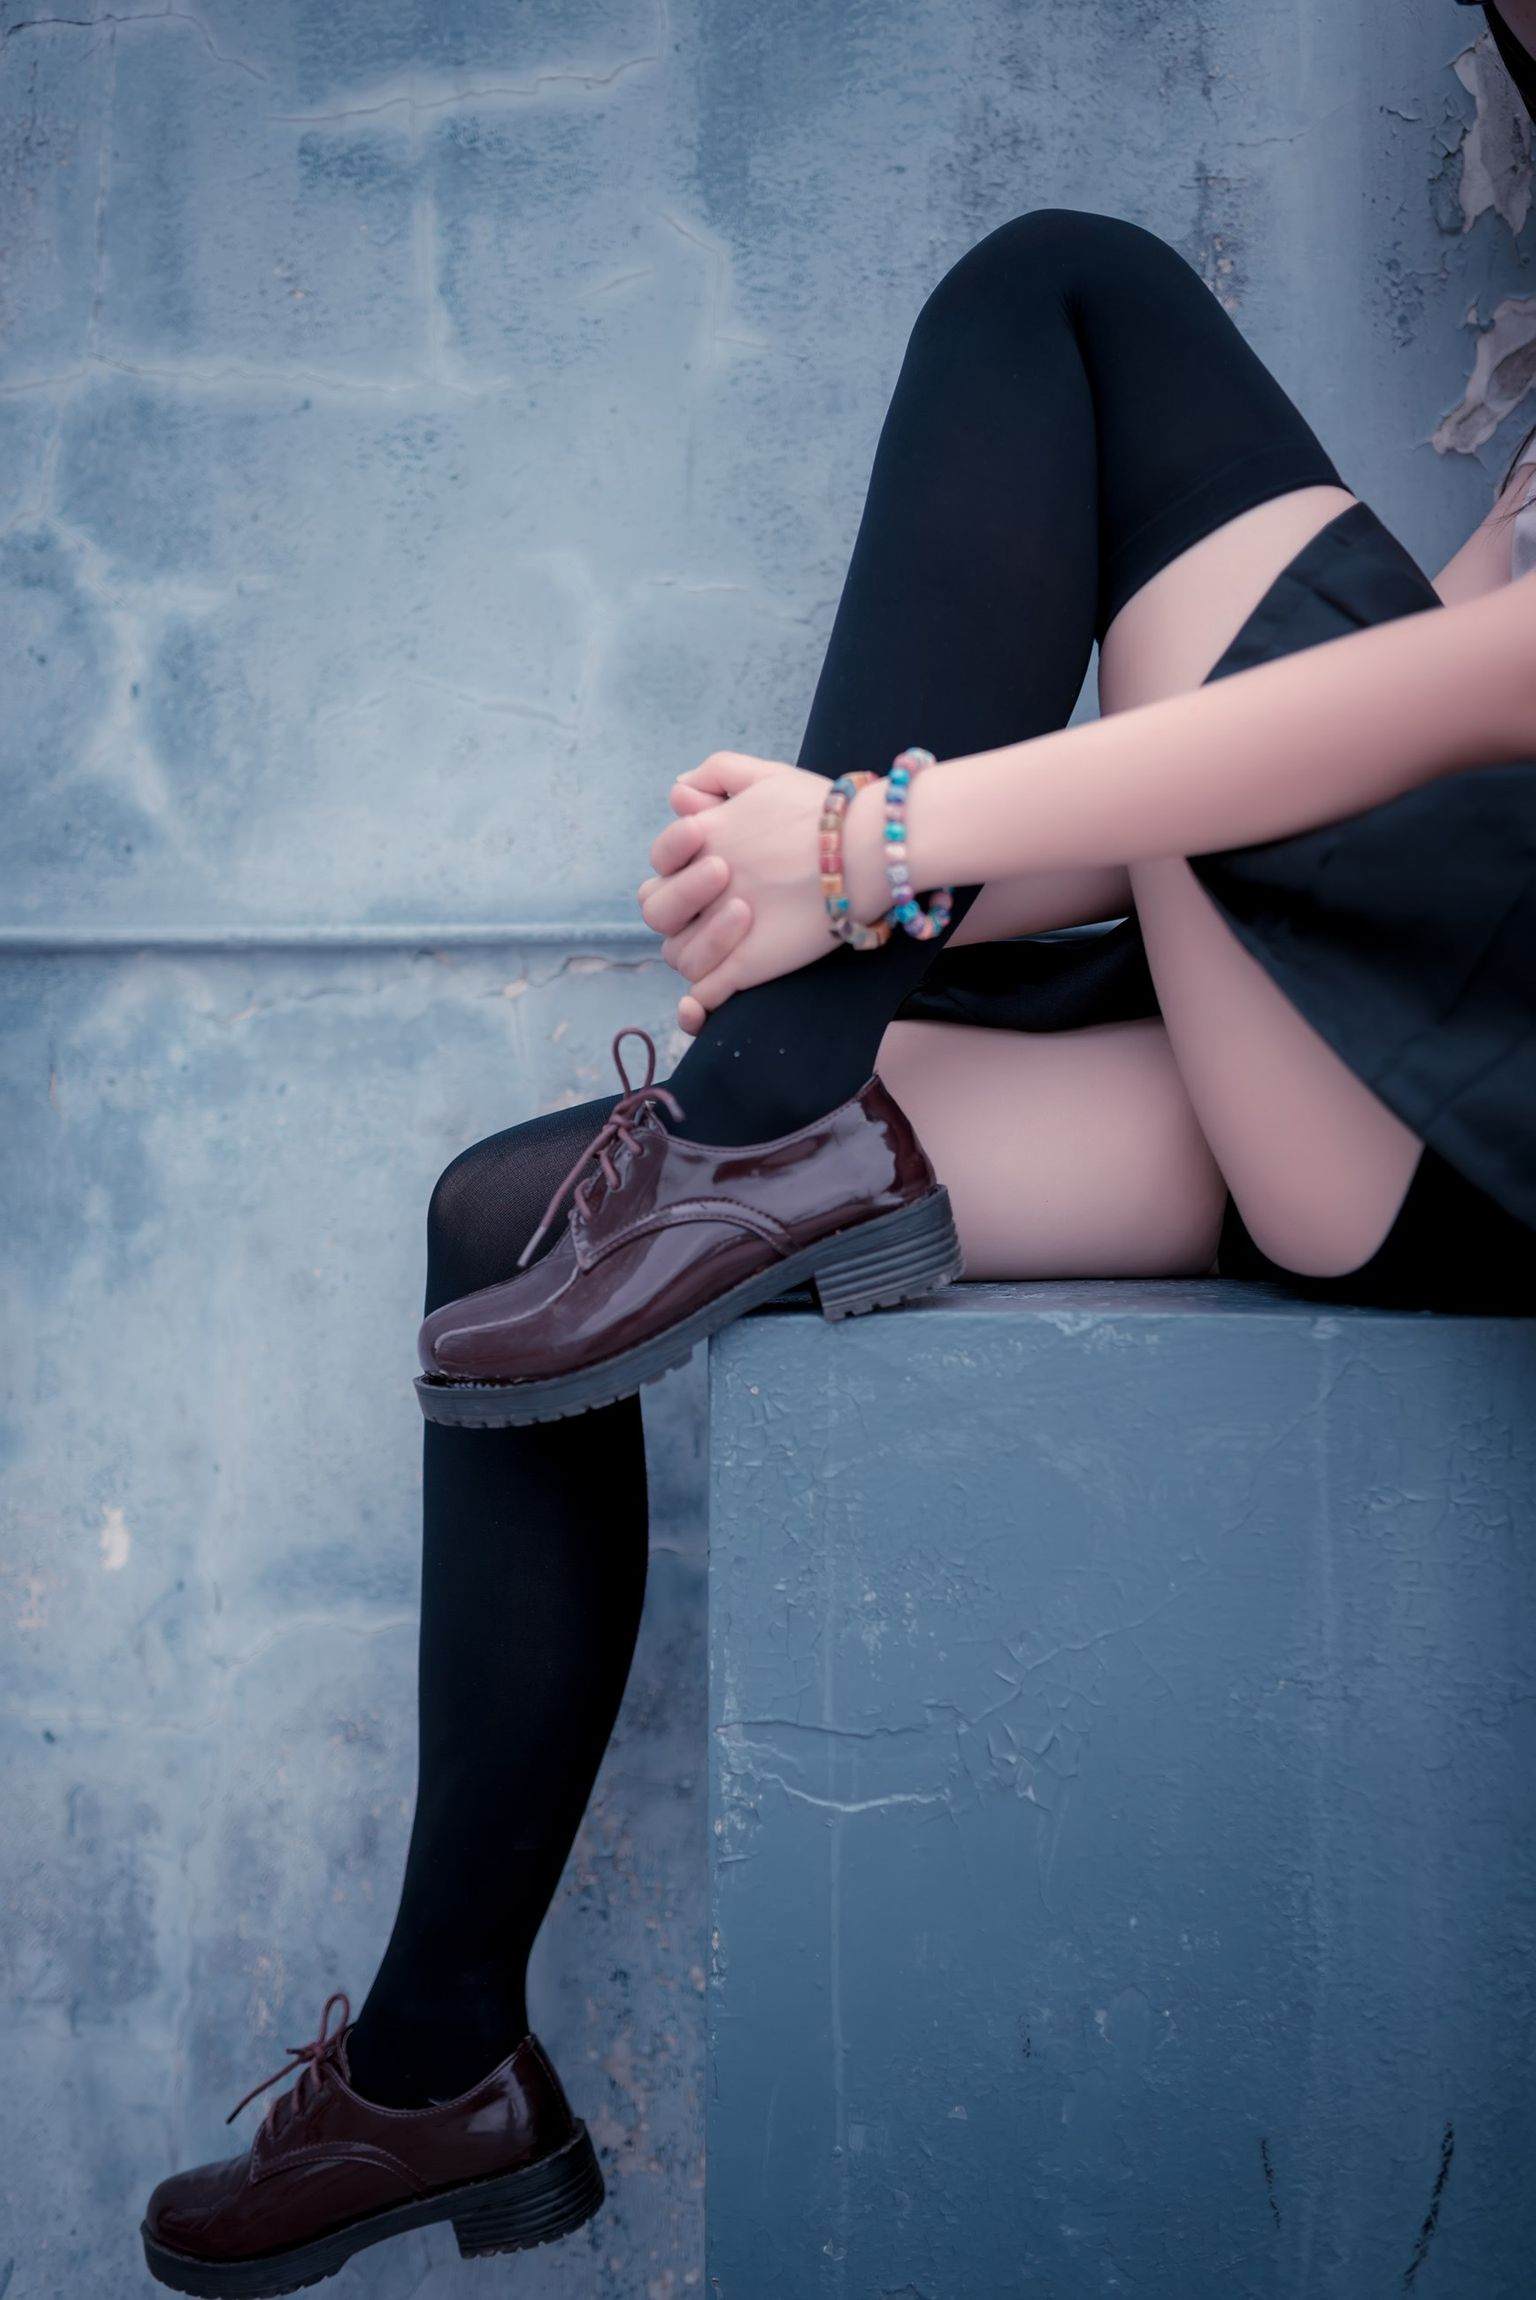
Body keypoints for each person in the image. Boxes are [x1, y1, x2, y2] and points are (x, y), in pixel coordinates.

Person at [141, 14, 1536, 2294]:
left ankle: (760, 1119)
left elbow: (1482, 700)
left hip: (1471, 1074)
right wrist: (849, 879)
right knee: (511, 1221)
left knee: (1064, 291)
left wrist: (883, 841)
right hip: (1355, 1045)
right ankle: (436, 2066)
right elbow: (1316, 759)